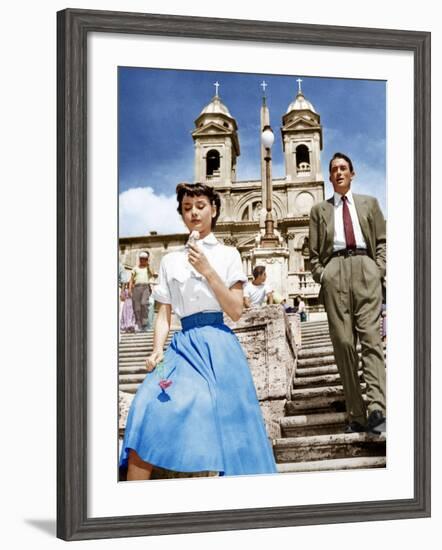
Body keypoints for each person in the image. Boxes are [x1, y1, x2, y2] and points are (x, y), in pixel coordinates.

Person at [120, 182, 277, 480]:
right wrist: (156, 350)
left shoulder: (229, 254)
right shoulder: (169, 260)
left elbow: (235, 310)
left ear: (214, 210)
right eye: (187, 208)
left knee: (226, 425)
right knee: (145, 405)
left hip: (218, 345)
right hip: (181, 347)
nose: (193, 213)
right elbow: (164, 314)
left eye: (200, 206)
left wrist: (207, 269)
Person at [308, 152, 386, 435]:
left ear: (352, 173)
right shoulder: (319, 211)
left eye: (343, 168)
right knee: (343, 344)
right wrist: (324, 275)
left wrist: (378, 270)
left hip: (366, 269)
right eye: (334, 169)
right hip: (335, 272)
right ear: (329, 177)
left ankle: (378, 407)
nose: (339, 172)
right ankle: (356, 412)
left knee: (371, 340)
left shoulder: (370, 204)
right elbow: (313, 254)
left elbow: (382, 241)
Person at [129, 251, 155, 332]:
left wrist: (148, 265)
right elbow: (131, 280)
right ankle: (138, 324)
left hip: (145, 287)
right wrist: (130, 290)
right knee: (137, 307)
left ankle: (144, 323)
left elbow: (152, 273)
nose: (143, 260)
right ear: (139, 259)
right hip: (136, 287)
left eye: (145, 259)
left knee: (144, 303)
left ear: (147, 260)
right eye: (142, 259)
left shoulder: (148, 268)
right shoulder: (135, 268)